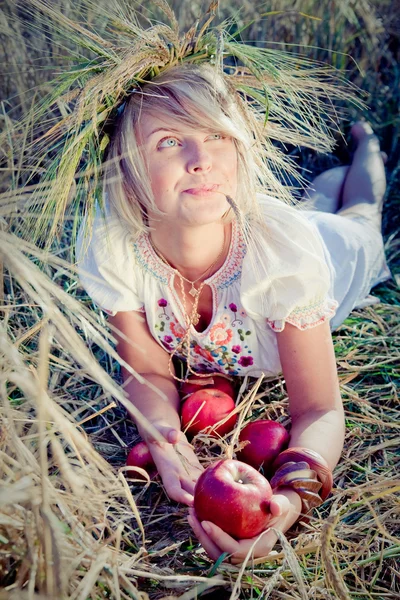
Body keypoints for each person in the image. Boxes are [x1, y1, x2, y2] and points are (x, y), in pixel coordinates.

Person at [76, 64, 390, 564]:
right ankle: (329, 179)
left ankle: (369, 142)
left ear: (240, 149)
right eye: (170, 142)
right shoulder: (114, 247)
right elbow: (151, 372)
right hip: (273, 220)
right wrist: (163, 435)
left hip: (336, 254)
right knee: (321, 198)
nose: (202, 159)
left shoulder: (285, 259)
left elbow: (319, 410)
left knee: (360, 216)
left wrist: (289, 499)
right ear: (127, 168)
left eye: (218, 135)